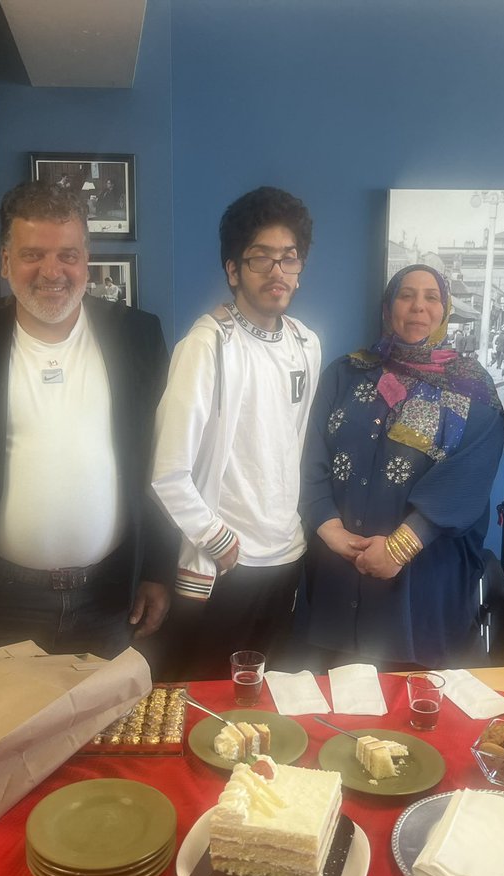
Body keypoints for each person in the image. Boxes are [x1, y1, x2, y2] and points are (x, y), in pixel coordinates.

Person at [0, 181, 173, 661]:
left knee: (104, 733)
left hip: (110, 597)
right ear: (5, 261)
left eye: (67, 255)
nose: (52, 271)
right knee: (5, 735)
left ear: (85, 260)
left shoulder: (139, 335)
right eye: (33, 255)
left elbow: (159, 462)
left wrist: (157, 571)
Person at [151, 187, 321, 680]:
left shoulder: (306, 343)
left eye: (289, 259)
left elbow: (293, 446)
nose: (277, 272)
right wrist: (216, 538)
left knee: (264, 704)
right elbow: (167, 472)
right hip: (224, 564)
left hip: (286, 554)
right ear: (232, 270)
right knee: (206, 705)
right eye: (260, 259)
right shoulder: (207, 346)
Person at [300, 265, 504, 669]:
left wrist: (399, 547)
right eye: (406, 295)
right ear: (387, 307)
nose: (418, 306)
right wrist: (329, 526)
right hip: (338, 567)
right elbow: (309, 453)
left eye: (431, 297)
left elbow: (469, 474)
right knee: (336, 706)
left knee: (411, 707)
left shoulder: (472, 387)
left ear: (444, 309)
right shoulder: (346, 373)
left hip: (421, 579)